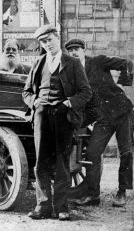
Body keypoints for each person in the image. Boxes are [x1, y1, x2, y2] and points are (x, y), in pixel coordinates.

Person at [22, 25, 91, 221]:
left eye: (50, 40)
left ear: (57, 38)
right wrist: (34, 102)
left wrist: (69, 103)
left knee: (62, 164)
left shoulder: (73, 63)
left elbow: (86, 92)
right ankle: (42, 207)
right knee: (41, 162)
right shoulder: (38, 63)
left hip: (63, 118)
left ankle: (61, 208)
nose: (47, 44)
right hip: (42, 116)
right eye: (43, 42)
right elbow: (26, 92)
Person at [65, 38, 133, 207]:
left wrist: (123, 83)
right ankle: (93, 195)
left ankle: (122, 192)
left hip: (122, 111)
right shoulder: (72, 74)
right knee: (92, 153)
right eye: (70, 50)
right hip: (102, 118)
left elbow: (127, 63)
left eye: (77, 49)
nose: (73, 52)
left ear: (83, 50)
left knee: (125, 151)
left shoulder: (98, 61)